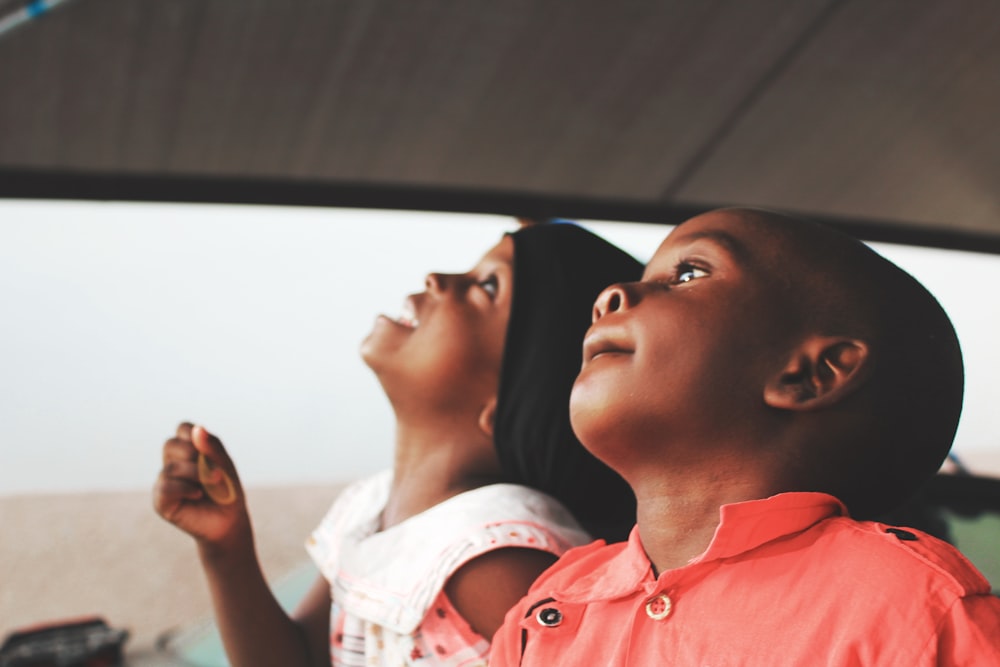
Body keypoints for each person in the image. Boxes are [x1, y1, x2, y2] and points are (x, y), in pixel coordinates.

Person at [491, 207, 1000, 666]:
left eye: (688, 273)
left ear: (809, 374)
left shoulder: (913, 609)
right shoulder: (554, 601)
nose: (611, 296)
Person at [153, 221, 641, 667]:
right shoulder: (371, 507)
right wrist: (226, 549)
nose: (437, 277)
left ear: (514, 399)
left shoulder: (496, 560)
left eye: (488, 287)